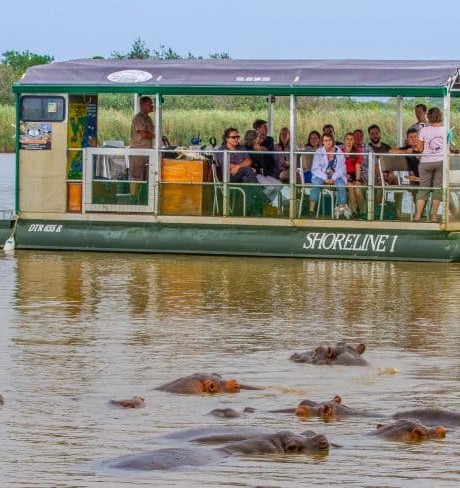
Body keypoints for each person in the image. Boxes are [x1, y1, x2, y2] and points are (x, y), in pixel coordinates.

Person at [217, 128, 264, 216]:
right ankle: (260, 195)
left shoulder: (241, 148)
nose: (236, 139)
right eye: (233, 137)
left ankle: (253, 211)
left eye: (237, 137)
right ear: (226, 139)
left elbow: (249, 161)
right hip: (230, 176)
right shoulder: (222, 150)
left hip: (242, 176)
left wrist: (238, 166)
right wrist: (243, 166)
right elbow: (226, 165)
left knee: (247, 179)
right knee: (248, 170)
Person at [309, 133, 351, 219]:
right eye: (325, 140)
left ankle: (341, 210)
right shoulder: (319, 152)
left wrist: (333, 178)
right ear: (322, 142)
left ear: (333, 141)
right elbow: (315, 169)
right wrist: (325, 178)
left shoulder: (339, 152)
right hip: (322, 175)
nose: (328, 142)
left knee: (340, 184)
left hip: (336, 176)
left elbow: (342, 168)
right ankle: (311, 209)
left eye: (330, 140)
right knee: (316, 183)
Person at [413, 107, 444, 222]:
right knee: (437, 188)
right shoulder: (445, 130)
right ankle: (434, 216)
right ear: (440, 116)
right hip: (440, 161)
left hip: (426, 162)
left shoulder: (424, 130)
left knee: (423, 188)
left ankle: (417, 216)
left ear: (428, 117)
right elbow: (447, 147)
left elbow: (420, 148)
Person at [130, 96, 154, 181]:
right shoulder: (138, 118)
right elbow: (144, 134)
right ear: (143, 105)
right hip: (138, 152)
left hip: (147, 151)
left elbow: (151, 133)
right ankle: (134, 194)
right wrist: (156, 136)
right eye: (150, 104)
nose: (152, 106)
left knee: (147, 177)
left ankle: (145, 194)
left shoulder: (148, 118)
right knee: (136, 176)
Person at [341, 132, 365, 217]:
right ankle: (354, 211)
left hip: (355, 175)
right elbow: (339, 167)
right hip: (344, 175)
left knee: (358, 189)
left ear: (354, 141)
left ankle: (363, 211)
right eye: (347, 139)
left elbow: (357, 166)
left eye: (351, 139)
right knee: (350, 187)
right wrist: (345, 178)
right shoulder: (340, 152)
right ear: (344, 141)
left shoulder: (358, 151)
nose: (349, 141)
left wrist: (358, 180)